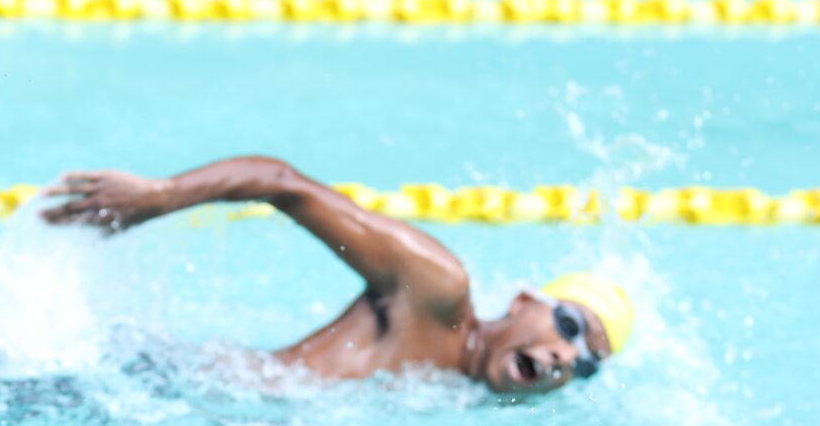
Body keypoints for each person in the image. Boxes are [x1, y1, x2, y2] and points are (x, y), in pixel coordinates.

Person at [43, 156, 636, 394]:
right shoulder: (436, 290)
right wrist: (161, 197)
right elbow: (282, 183)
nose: (565, 356)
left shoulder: (461, 399)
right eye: (570, 326)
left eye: (585, 364)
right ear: (525, 300)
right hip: (166, 386)